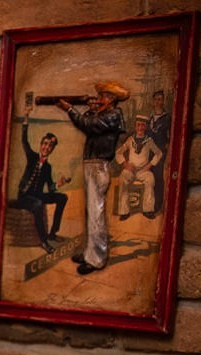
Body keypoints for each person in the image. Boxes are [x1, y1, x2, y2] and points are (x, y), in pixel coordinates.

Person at [58, 81, 129, 275]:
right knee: (92, 213)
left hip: (98, 166)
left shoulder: (113, 115)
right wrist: (91, 109)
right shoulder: (103, 113)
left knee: (96, 213)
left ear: (111, 99)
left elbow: (88, 125)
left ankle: (96, 258)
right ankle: (90, 252)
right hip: (92, 165)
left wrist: (70, 109)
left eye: (102, 96)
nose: (99, 99)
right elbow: (90, 120)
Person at [8, 116, 68, 253]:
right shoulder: (32, 157)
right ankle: (44, 241)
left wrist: (59, 184)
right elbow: (24, 141)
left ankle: (53, 233)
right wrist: (26, 118)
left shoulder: (48, 167)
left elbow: (50, 188)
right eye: (45, 144)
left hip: (38, 195)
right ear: (41, 145)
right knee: (37, 204)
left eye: (50, 146)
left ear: (52, 149)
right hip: (25, 196)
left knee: (62, 198)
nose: (47, 147)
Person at [115, 115, 164, 220]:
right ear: (135, 127)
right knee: (123, 177)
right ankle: (124, 211)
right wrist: (125, 164)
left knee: (150, 178)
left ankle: (148, 210)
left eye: (142, 125)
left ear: (145, 127)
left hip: (143, 171)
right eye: (138, 125)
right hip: (131, 170)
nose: (140, 128)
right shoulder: (130, 140)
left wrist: (149, 165)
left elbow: (159, 153)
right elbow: (118, 153)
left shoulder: (149, 141)